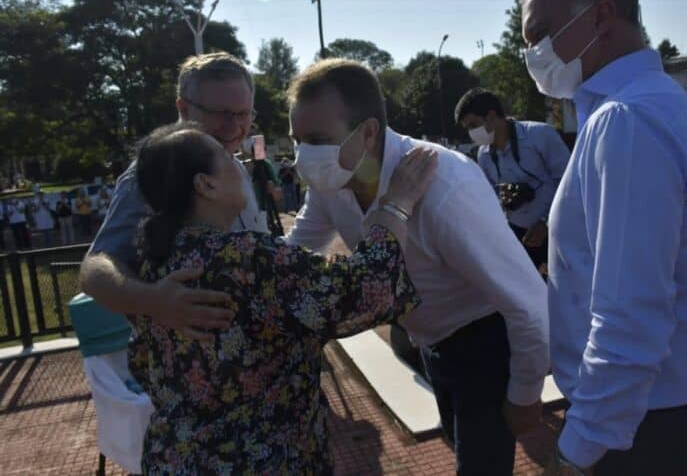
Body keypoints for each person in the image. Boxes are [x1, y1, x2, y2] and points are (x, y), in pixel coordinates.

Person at [285, 59, 549, 475]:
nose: (303, 157)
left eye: (317, 139)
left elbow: (529, 302)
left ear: (368, 131)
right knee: (458, 441)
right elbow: (296, 251)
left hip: (484, 341)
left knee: (480, 467)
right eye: (297, 140)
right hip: (429, 339)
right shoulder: (333, 181)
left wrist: (525, 394)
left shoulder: (446, 187)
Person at [128, 122, 434, 473]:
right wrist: (396, 205)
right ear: (205, 184)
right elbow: (364, 293)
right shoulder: (246, 258)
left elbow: (142, 364)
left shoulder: (151, 269)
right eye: (228, 158)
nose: (240, 163)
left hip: (175, 459)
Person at [522, 0, 687, 475]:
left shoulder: (628, 120)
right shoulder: (642, 107)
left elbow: (629, 313)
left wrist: (579, 449)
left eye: (541, 33)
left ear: (600, 17)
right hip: (654, 414)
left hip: (641, 430)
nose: (533, 53)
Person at [79, 52, 269, 336]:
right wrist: (154, 300)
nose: (233, 127)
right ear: (183, 108)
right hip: (198, 363)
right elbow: (95, 270)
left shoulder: (234, 168)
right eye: (221, 114)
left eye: (243, 114)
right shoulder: (151, 175)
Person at [455, 88, 570, 274]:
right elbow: (492, 198)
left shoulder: (540, 135)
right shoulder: (484, 154)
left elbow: (570, 184)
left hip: (557, 231)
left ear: (491, 116)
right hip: (519, 236)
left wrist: (546, 223)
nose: (471, 133)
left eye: (473, 125)